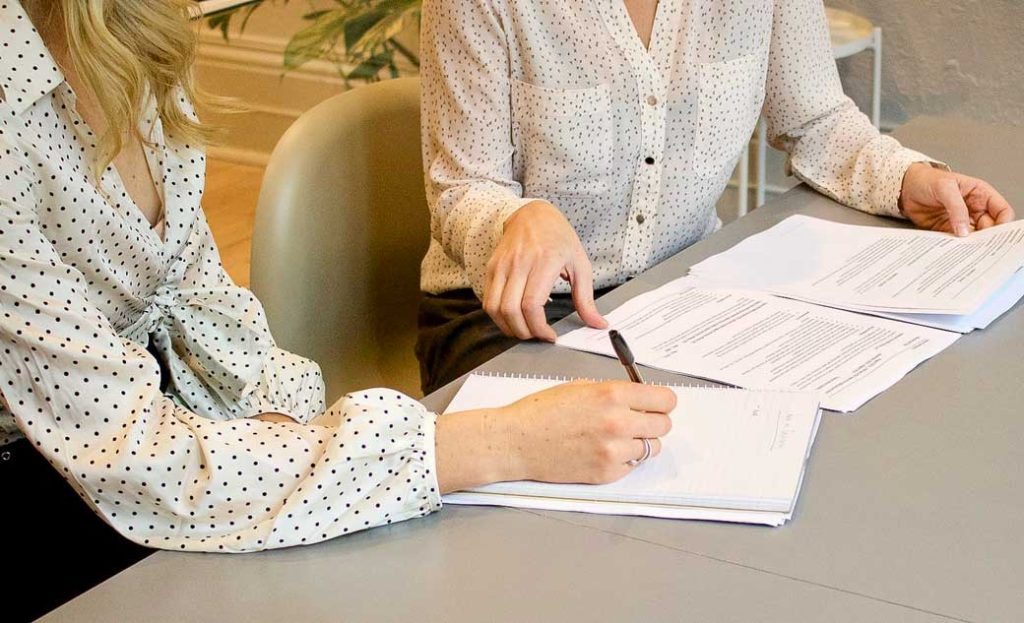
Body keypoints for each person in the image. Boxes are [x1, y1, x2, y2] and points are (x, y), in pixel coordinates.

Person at [0, 1, 676, 620]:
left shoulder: (133, 34)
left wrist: (279, 428)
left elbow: (202, 303)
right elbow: (141, 460)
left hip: (163, 441)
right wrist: (503, 443)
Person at [416, 0, 1016, 394]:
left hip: (679, 296)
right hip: (508, 317)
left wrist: (907, 179)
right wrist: (518, 218)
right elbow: (461, 187)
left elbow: (814, 118)